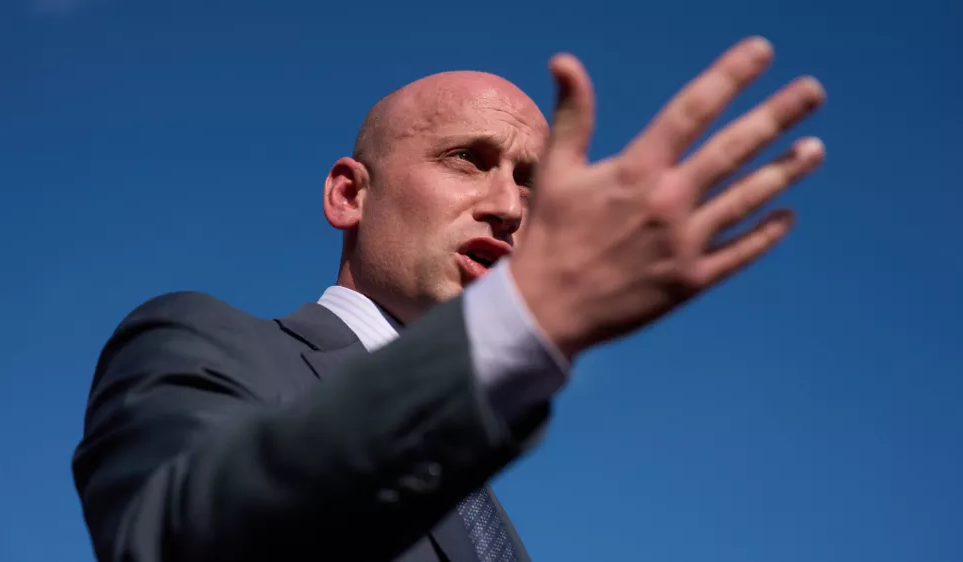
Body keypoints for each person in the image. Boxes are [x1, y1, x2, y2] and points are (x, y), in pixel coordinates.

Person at [72, 36, 826, 562]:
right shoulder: (203, 339)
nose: (510, 206)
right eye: (469, 160)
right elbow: (175, 544)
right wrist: (530, 317)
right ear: (348, 194)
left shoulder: (489, 501)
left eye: (531, 180)